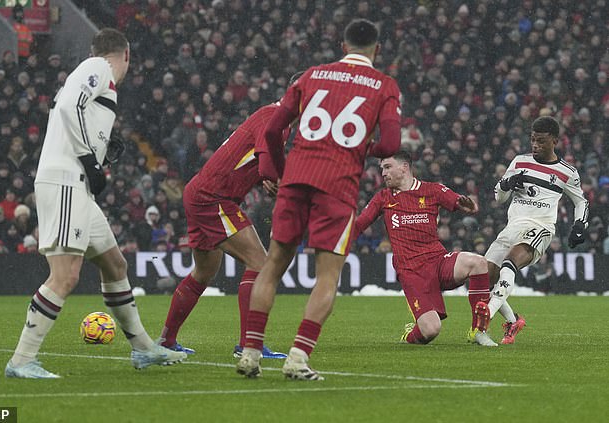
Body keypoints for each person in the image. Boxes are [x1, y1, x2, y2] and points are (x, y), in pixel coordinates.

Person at [5, 28, 187, 379]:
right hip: (66, 180)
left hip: (77, 185)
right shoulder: (99, 67)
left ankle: (143, 349)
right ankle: (22, 360)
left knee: (115, 265)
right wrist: (90, 158)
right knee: (65, 276)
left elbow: (68, 109)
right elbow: (70, 107)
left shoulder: (95, 78)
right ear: (127, 55)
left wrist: (99, 145)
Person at [237, 19, 403, 381]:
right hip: (337, 185)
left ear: (343, 47)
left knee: (273, 265)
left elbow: (271, 129)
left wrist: (282, 174)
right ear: (376, 50)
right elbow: (391, 145)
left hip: (297, 178)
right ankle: (298, 357)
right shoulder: (384, 85)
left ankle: (250, 352)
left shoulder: (311, 74)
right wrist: (362, 147)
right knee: (328, 276)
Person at [157, 79, 303, 358]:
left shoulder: (274, 118)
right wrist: (275, 179)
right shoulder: (275, 118)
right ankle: (250, 344)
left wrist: (269, 176)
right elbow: (266, 163)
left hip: (201, 192)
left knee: (204, 271)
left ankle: (166, 341)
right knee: (260, 263)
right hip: (214, 197)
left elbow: (258, 161)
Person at [355, 151, 496, 347]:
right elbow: (359, 225)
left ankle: (478, 331)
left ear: (404, 167)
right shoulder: (383, 198)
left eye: (387, 167)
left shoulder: (432, 190)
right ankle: (411, 335)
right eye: (382, 169)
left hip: (438, 262)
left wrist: (468, 206)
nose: (383, 173)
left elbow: (461, 203)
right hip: (412, 271)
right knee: (431, 330)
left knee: (479, 263)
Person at [484, 116, 589, 344]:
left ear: (554, 141)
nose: (535, 145)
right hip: (512, 227)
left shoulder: (567, 172)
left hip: (540, 228)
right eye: (532, 140)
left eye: (541, 141)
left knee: (510, 262)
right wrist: (507, 185)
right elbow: (498, 197)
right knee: (484, 277)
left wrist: (580, 224)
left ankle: (486, 317)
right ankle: (513, 321)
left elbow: (581, 201)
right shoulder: (520, 161)